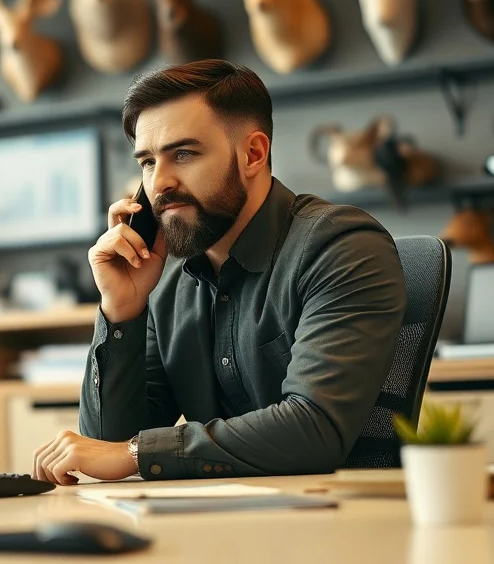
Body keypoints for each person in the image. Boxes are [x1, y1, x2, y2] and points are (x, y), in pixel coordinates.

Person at [31, 59, 407, 485]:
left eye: (183, 154)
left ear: (253, 154)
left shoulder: (342, 246)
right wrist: (121, 309)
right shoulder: (166, 283)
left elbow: (313, 427)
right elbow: (105, 445)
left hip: (340, 513)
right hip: (224, 513)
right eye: (148, 162)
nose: (159, 183)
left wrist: (138, 453)